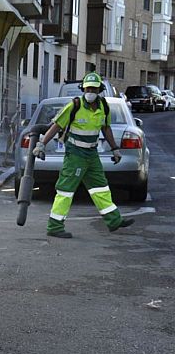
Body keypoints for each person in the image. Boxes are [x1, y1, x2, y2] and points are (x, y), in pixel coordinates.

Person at [33, 72, 135, 238]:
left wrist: (115, 148)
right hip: (75, 154)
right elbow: (57, 126)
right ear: (83, 89)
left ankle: (114, 221)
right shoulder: (74, 105)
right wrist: (41, 144)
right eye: (88, 88)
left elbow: (106, 128)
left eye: (94, 88)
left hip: (92, 154)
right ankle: (55, 226)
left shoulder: (104, 106)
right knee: (66, 190)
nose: (90, 91)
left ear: (99, 90)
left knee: (101, 188)